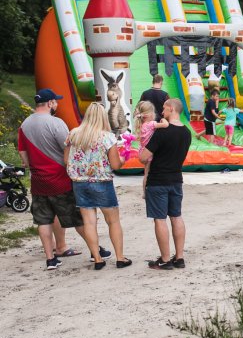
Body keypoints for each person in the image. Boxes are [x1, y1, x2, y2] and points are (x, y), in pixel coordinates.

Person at [18, 88, 109, 269]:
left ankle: (51, 259)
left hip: (38, 181)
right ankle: (95, 250)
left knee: (43, 220)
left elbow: (23, 155)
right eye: (56, 101)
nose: (57, 104)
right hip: (60, 179)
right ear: (50, 103)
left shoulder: (25, 125)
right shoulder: (56, 123)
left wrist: (33, 165)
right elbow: (69, 147)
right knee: (77, 218)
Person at [64, 102, 130, 269]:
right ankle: (120, 258)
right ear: (102, 117)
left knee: (89, 222)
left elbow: (67, 161)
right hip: (102, 183)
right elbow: (115, 165)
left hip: (80, 183)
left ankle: (98, 259)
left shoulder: (73, 134)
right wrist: (123, 159)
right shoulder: (107, 137)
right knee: (113, 221)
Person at [139, 99, 192, 270]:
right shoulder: (186, 132)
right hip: (176, 179)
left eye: (163, 109)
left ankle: (165, 259)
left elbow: (143, 157)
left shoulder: (161, 133)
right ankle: (180, 257)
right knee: (176, 216)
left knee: (159, 219)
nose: (162, 112)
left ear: (171, 109)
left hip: (158, 181)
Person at [135, 100, 169, 196]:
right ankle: (146, 193)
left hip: (142, 151)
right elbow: (166, 125)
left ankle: (144, 192)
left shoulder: (142, 125)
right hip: (148, 153)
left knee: (146, 173)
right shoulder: (151, 124)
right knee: (147, 174)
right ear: (149, 114)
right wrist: (163, 120)